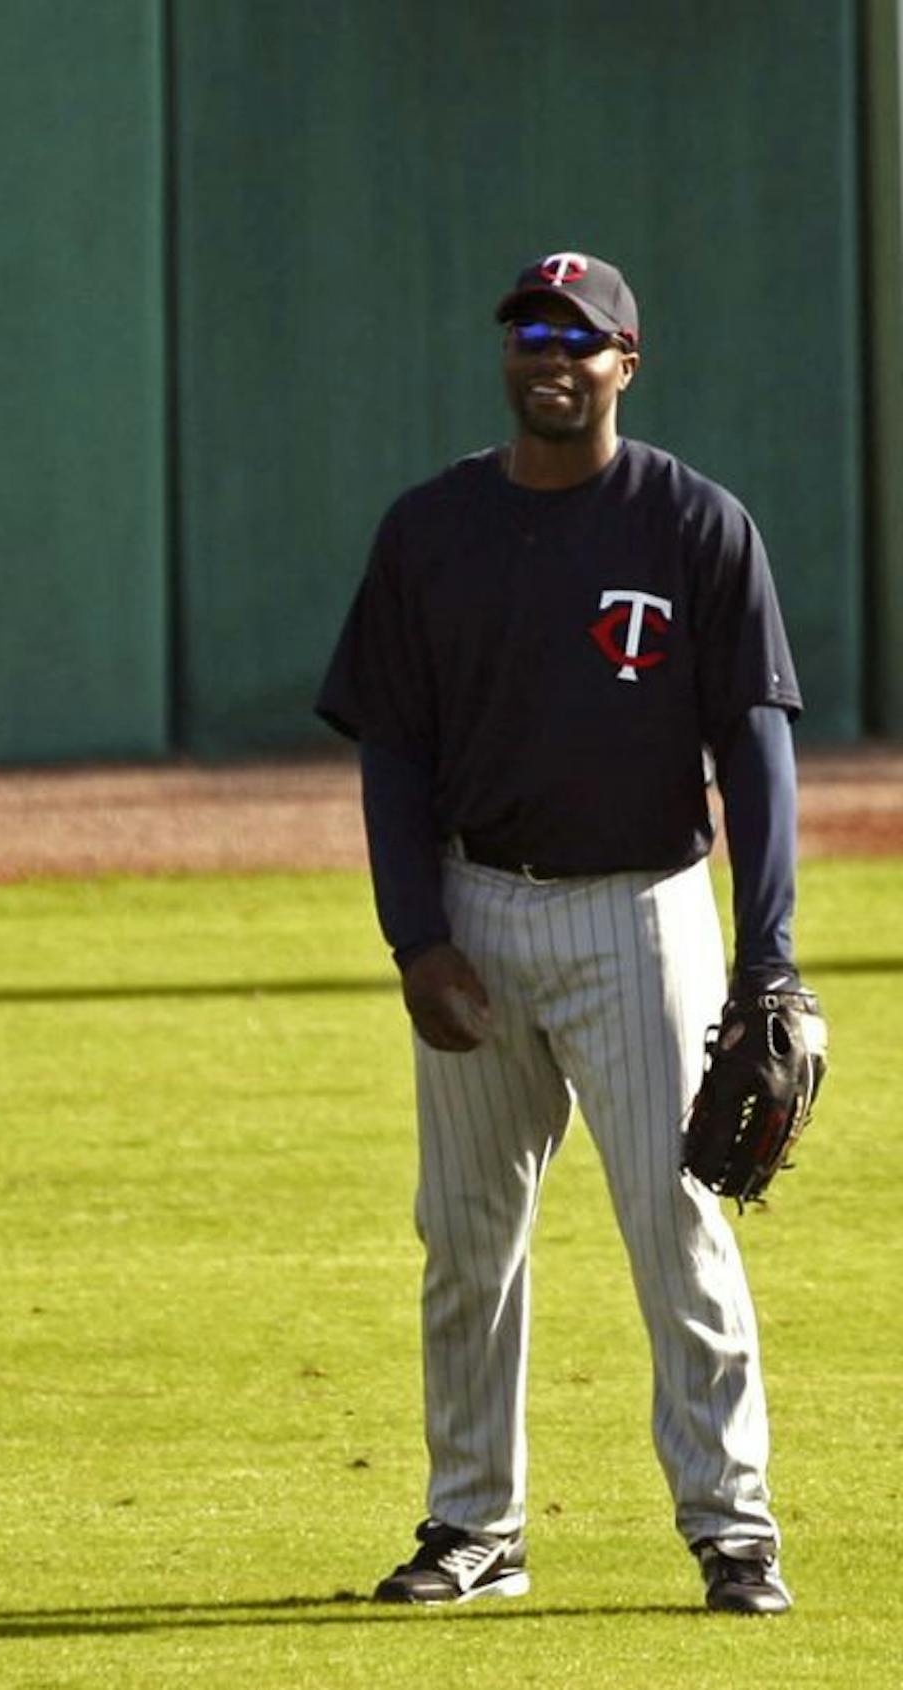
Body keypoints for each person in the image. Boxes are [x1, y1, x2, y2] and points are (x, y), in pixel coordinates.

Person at [315, 252, 807, 1616]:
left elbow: (755, 752)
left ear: (625, 363)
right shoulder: (430, 531)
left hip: (640, 913)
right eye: (531, 329)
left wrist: (764, 955)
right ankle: (475, 1525)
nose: (552, 354)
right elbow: (392, 753)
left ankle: (732, 1526)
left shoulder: (695, 524)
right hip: (476, 906)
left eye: (580, 337)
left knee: (680, 1223)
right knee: (467, 1237)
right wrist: (415, 936)